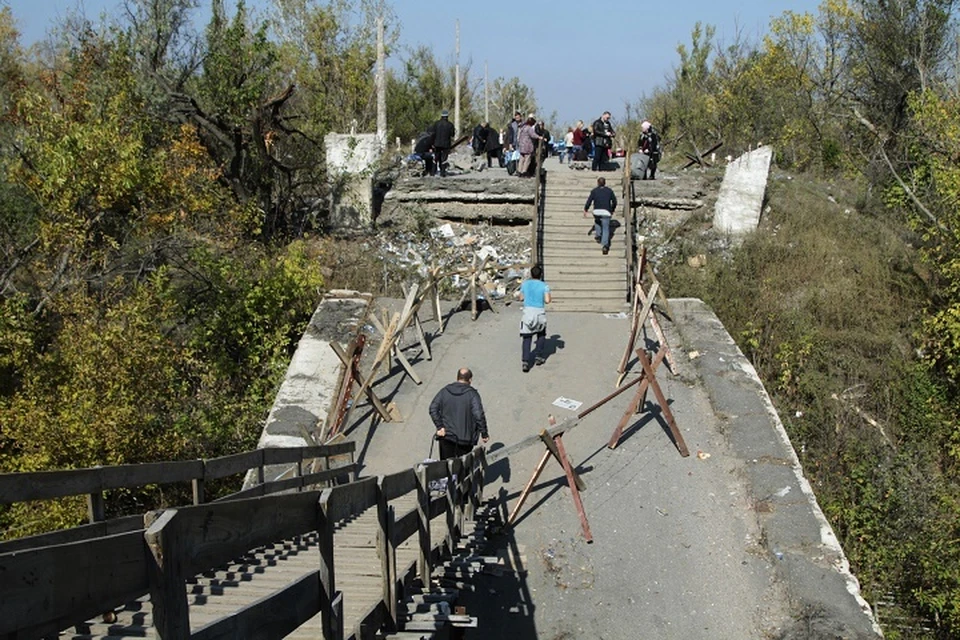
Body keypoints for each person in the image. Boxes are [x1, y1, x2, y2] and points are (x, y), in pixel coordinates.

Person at [429, 368, 489, 459]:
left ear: (457, 377)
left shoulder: (445, 391)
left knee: (446, 467)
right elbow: (478, 415)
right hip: (465, 440)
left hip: (446, 437)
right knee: (462, 468)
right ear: (470, 380)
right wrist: (484, 433)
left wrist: (440, 426)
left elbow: (433, 408)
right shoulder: (472, 395)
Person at [518, 264, 551, 372]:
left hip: (528, 312)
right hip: (539, 312)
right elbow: (547, 300)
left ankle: (525, 361)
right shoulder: (544, 286)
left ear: (531, 274)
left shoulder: (525, 284)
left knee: (527, 337)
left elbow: (521, 298)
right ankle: (538, 356)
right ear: (541, 275)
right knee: (541, 334)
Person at [583, 176, 617, 255]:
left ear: (598, 183)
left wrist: (586, 209)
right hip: (606, 212)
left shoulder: (594, 191)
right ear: (605, 183)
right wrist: (612, 210)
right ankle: (605, 245)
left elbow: (589, 201)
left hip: (597, 211)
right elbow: (614, 201)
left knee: (597, 221)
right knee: (605, 228)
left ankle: (598, 235)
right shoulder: (609, 191)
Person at [427, 110, 455, 177]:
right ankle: (442, 173)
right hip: (446, 144)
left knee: (435, 158)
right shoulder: (450, 125)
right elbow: (452, 134)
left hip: (437, 144)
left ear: (441, 116)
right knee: (444, 159)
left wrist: (431, 143)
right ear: (447, 116)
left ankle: (433, 172)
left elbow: (432, 134)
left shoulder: (436, 124)